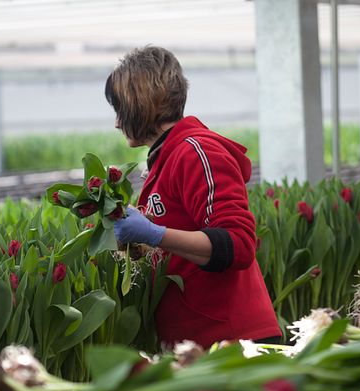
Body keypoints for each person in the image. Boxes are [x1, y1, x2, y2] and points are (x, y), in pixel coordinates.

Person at [105, 46, 281, 348]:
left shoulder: (196, 152)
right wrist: (141, 246)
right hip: (198, 345)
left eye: (121, 109)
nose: (118, 123)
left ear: (141, 103)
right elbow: (183, 245)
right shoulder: (167, 159)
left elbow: (238, 244)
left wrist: (155, 233)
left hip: (232, 343)